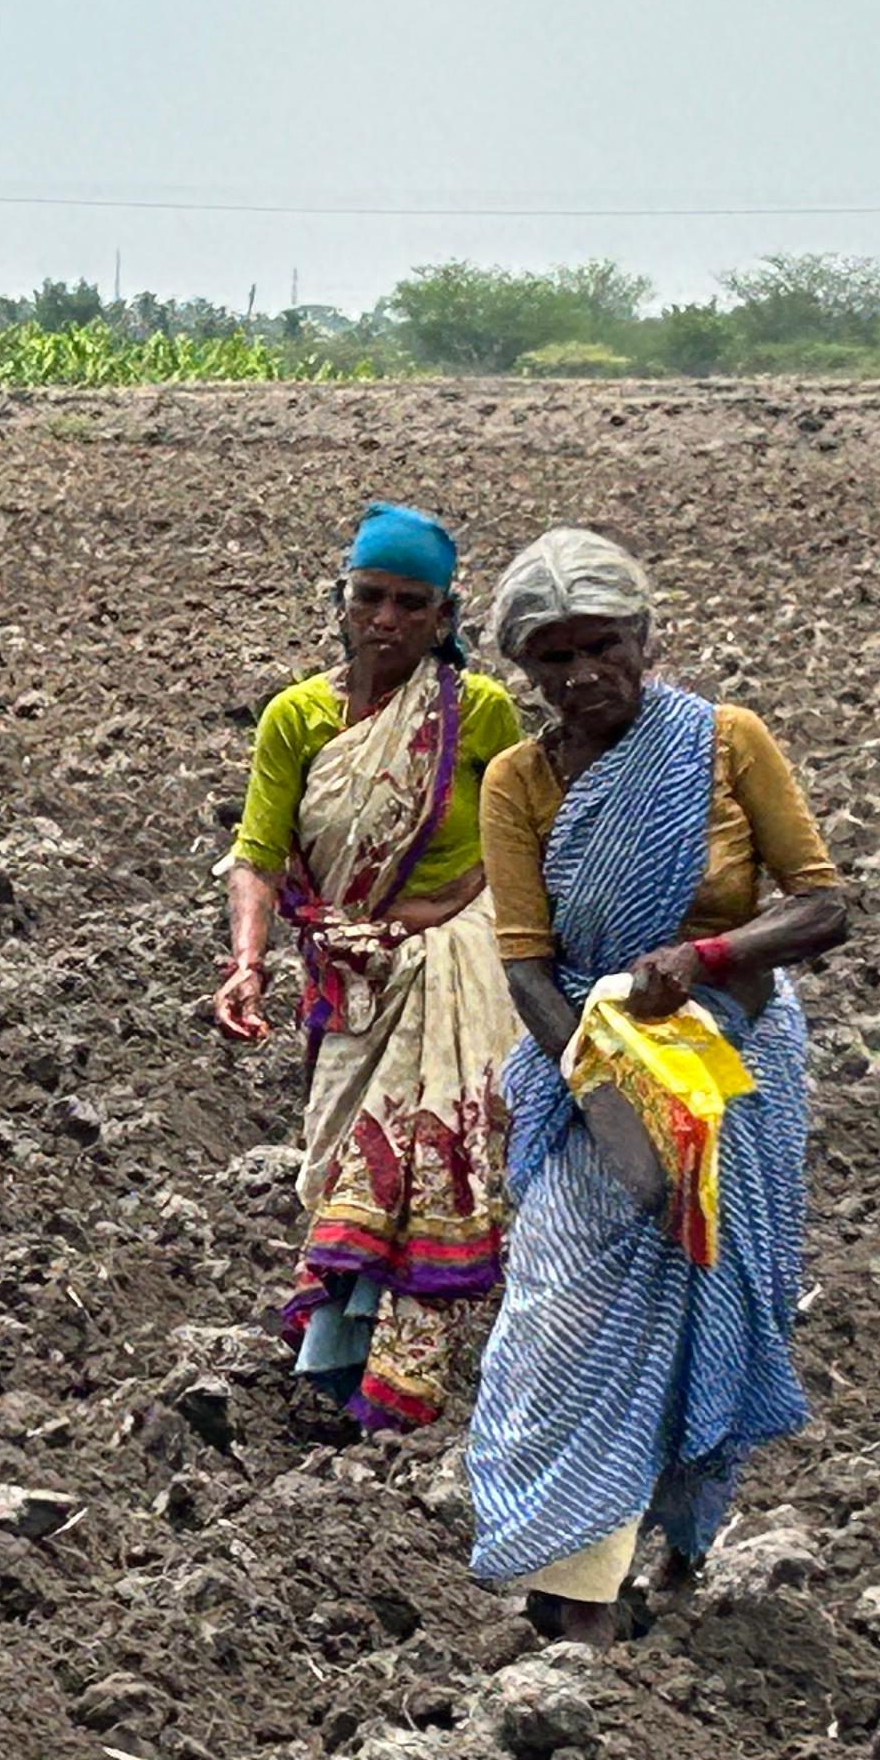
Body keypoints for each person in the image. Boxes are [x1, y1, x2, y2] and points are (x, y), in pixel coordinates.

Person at [459, 528, 849, 1644]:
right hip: (588, 1071)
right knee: (557, 1320)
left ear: (645, 638)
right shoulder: (519, 781)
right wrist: (604, 1092)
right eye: (555, 657)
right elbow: (528, 965)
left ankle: (645, 1566)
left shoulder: (724, 743)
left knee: (700, 1312)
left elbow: (822, 904)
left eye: (604, 646)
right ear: (525, 670)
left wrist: (705, 957)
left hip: (731, 1072)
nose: (585, 674)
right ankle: (566, 1580)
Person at [215, 505, 525, 1431]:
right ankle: (342, 1363)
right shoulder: (298, 718)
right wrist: (246, 963)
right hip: (349, 979)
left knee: (429, 1164)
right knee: (346, 1164)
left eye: (410, 604)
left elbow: (520, 841)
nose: (386, 620)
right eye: (370, 598)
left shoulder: (480, 714)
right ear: (341, 602)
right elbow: (257, 852)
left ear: (444, 616)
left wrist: (448, 906)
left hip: (457, 971)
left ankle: (403, 1383)